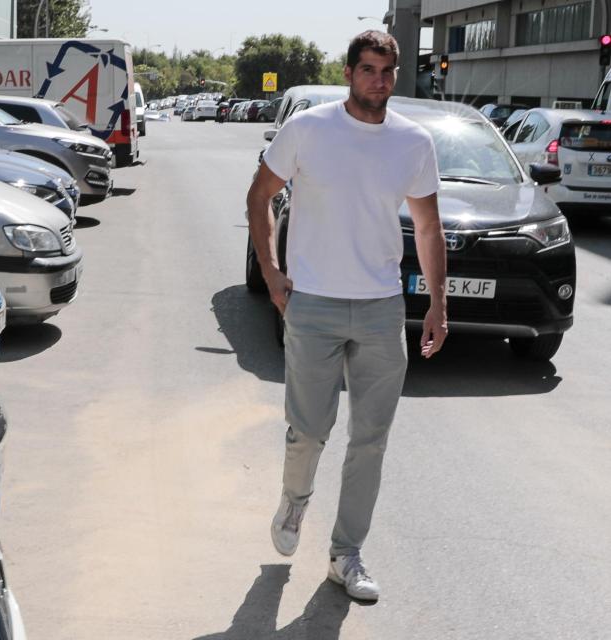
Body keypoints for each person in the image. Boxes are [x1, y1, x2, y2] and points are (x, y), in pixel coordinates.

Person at [245, 30, 448, 602]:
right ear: (349, 73)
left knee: (371, 439)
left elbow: (429, 228)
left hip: (383, 308)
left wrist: (437, 303)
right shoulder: (308, 129)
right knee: (309, 432)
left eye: (387, 71)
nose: (378, 81)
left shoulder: (413, 142)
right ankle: (295, 501)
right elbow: (259, 195)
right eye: (367, 70)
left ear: (396, 75)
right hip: (313, 304)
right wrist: (272, 271)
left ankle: (345, 553)